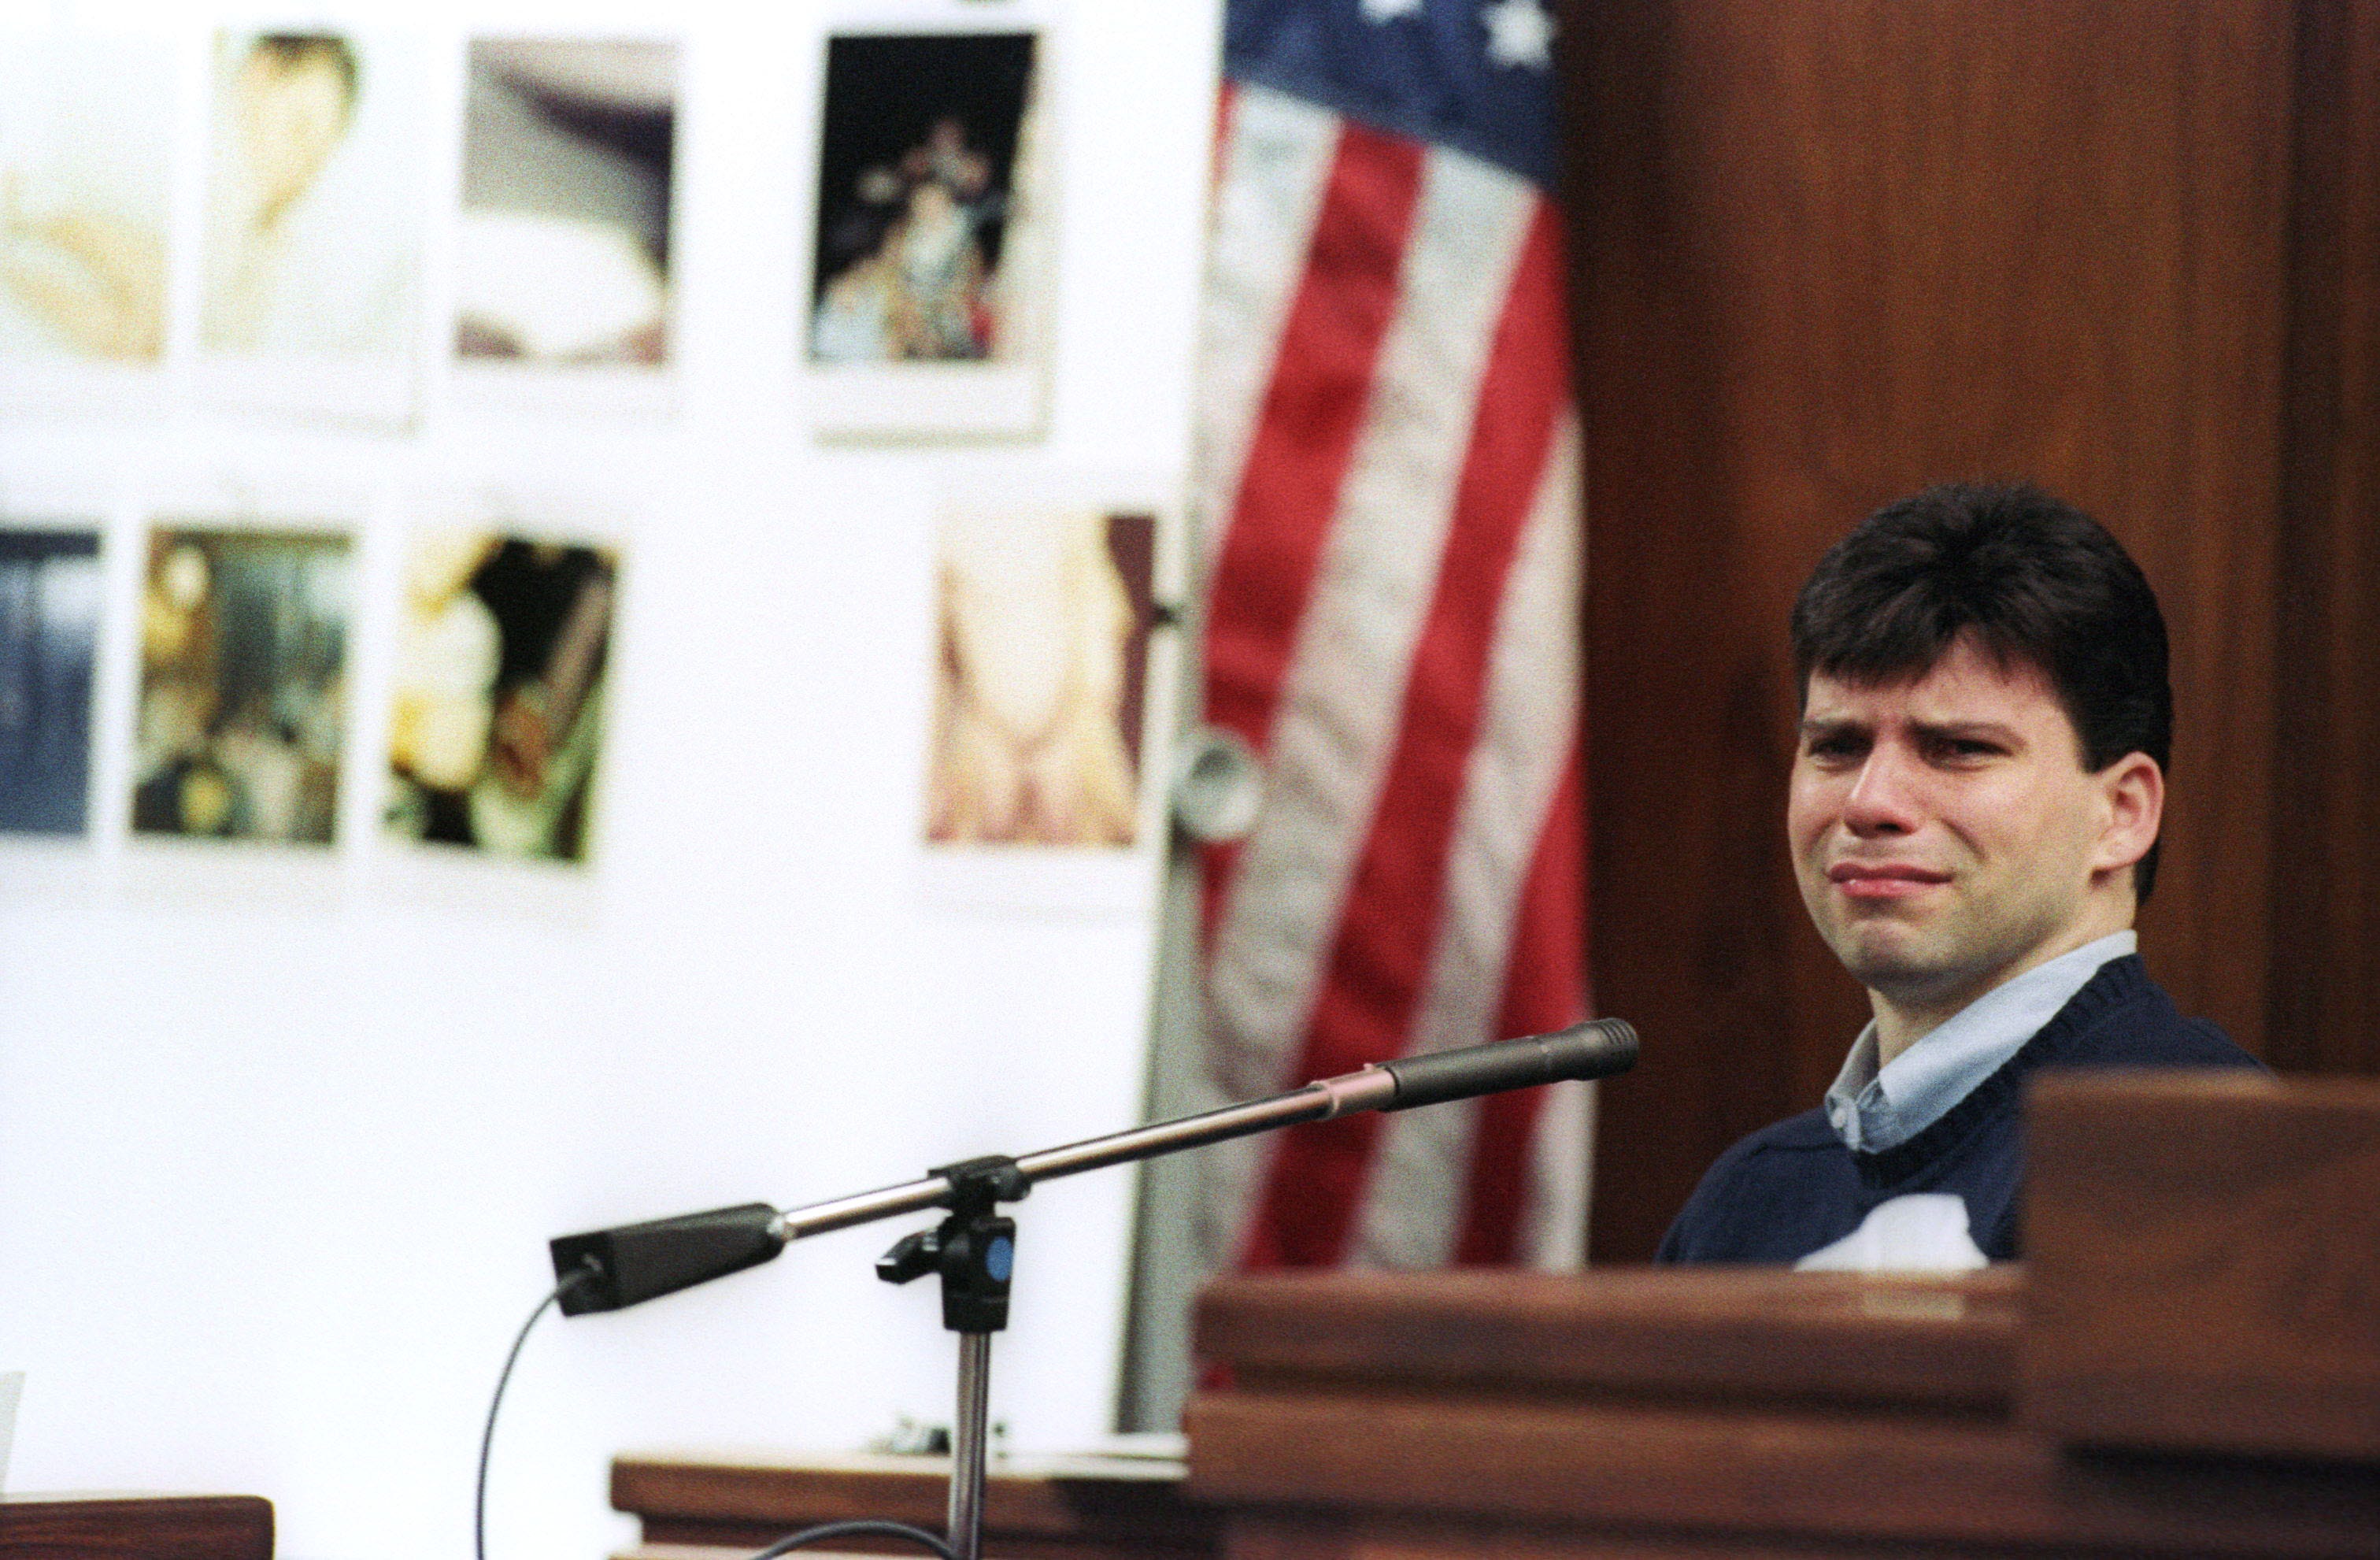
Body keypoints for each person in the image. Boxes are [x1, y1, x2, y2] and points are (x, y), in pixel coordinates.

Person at [1657, 483, 2259, 1266]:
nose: (1869, 802)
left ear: (2121, 813)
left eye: (1956, 748)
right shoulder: (1746, 1203)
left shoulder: (2204, 1158)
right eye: (1835, 745)